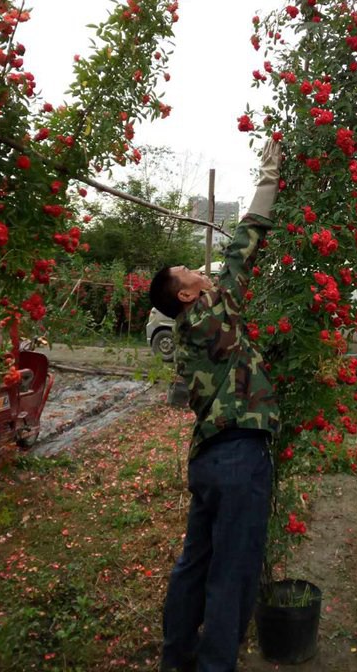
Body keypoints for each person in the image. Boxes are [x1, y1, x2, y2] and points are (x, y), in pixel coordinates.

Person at [149, 140, 282, 672]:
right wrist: (270, 175)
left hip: (208, 459)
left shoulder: (186, 331)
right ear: (186, 295)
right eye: (190, 273)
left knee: (194, 565)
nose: (200, 272)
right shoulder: (209, 308)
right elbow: (245, 242)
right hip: (238, 456)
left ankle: (174, 657)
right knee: (234, 572)